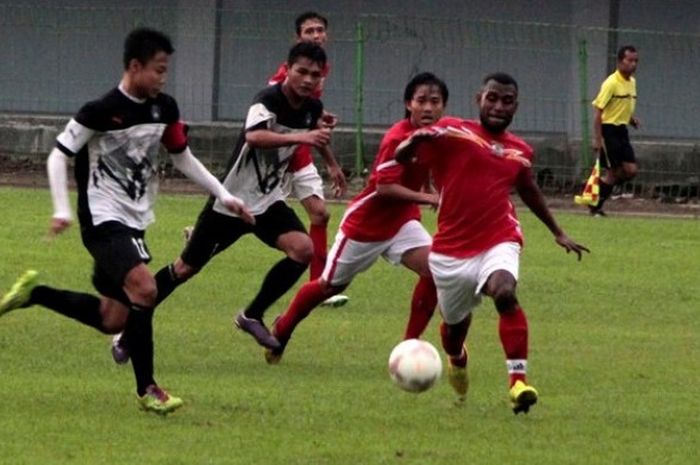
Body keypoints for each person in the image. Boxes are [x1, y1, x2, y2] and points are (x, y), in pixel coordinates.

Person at [0, 28, 252, 415]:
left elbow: (182, 156)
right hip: (101, 219)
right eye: (158, 69)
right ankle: (148, 388)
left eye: (166, 71)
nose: (163, 78)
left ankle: (34, 295)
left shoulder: (163, 108)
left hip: (134, 220)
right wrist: (61, 209)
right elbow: (58, 155)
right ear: (135, 67)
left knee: (111, 317)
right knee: (146, 290)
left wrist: (224, 195)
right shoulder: (99, 110)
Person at [111, 41, 332, 362]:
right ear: (288, 69)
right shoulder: (267, 99)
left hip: (267, 201)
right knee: (184, 268)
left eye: (315, 74)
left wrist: (333, 163)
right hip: (229, 202)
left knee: (303, 249)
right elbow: (254, 136)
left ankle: (252, 315)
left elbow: (315, 131)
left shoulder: (312, 107)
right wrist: (301, 138)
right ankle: (128, 330)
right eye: (302, 72)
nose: (308, 80)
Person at [395, 72, 589, 413]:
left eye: (507, 101)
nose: (499, 106)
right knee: (454, 331)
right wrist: (411, 142)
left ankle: (518, 383)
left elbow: (528, 190)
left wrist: (557, 231)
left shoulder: (519, 151)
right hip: (451, 252)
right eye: (492, 98)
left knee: (504, 291)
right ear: (478, 99)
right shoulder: (452, 130)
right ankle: (457, 358)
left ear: (516, 106)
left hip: (499, 238)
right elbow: (403, 157)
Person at [264, 72, 447, 365]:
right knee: (330, 287)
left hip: (402, 222)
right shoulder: (397, 138)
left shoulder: (439, 135)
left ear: (443, 107)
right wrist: (429, 197)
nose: (427, 108)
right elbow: (385, 188)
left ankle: (408, 348)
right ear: (408, 104)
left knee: (437, 269)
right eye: (421, 101)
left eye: (434, 102)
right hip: (366, 225)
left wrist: (429, 185)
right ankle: (283, 327)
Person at [267, 11, 349, 307]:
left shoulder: (321, 68)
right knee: (241, 217)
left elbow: (309, 117)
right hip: (271, 158)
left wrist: (319, 119)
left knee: (320, 214)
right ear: (297, 38)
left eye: (320, 30)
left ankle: (319, 287)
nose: (316, 35)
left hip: (298, 153)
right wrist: (330, 161)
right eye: (309, 31)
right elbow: (276, 114)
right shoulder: (283, 76)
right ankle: (199, 236)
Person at [589, 45, 640, 216]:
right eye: (629, 60)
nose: (633, 64)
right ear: (620, 61)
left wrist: (631, 119)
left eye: (636, 61)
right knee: (612, 172)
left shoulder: (632, 82)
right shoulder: (611, 83)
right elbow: (599, 111)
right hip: (608, 131)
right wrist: (597, 138)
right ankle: (596, 206)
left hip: (622, 130)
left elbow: (623, 105)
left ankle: (599, 189)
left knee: (630, 170)